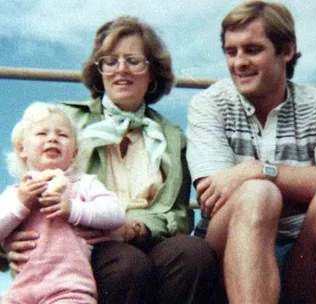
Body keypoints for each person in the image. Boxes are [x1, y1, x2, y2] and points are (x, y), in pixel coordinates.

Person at [4, 17, 218, 303]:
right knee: (126, 264)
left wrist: (135, 227)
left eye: (133, 60)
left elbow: (178, 214)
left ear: (152, 72)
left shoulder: (171, 135)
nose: (121, 70)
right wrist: (6, 248)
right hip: (86, 245)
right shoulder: (66, 120)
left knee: (194, 253)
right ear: (99, 70)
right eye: (110, 61)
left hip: (147, 238)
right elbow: (22, 192)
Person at [186, 1, 316, 303]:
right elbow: (213, 196)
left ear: (287, 50)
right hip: (227, 253)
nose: (239, 62)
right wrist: (299, 187)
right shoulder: (209, 104)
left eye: (252, 49)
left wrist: (259, 169)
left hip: (301, 256)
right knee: (258, 196)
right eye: (231, 52)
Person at [0, 102, 126, 303]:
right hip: (19, 292)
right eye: (42, 134)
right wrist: (21, 203)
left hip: (69, 289)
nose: (52, 138)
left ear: (75, 152)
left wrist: (74, 209)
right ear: (21, 149)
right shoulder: (15, 193)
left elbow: (116, 213)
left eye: (63, 135)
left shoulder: (83, 184)